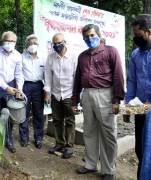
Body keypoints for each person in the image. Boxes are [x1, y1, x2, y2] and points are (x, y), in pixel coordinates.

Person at [71, 24, 124, 180]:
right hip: (87, 95)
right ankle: (90, 164)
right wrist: (74, 100)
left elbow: (118, 77)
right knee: (89, 131)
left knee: (108, 133)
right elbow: (77, 80)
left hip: (105, 95)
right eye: (86, 37)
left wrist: (116, 99)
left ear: (100, 35)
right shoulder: (82, 56)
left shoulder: (110, 52)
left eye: (92, 35)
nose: (89, 39)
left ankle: (108, 169)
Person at [0, 31, 24, 153]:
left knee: (9, 114)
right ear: (2, 42)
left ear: (15, 42)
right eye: (7, 41)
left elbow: (19, 74)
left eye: (12, 41)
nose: (10, 43)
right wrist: (6, 87)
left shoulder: (18, 55)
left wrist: (19, 89)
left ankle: (8, 140)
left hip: (10, 86)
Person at [44, 33, 78, 159]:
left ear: (65, 42)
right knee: (57, 120)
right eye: (55, 44)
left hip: (69, 94)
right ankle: (59, 143)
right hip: (56, 94)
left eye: (59, 43)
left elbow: (77, 77)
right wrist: (47, 93)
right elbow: (47, 76)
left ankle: (69, 147)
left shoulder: (74, 57)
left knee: (69, 120)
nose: (57, 45)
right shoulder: (51, 58)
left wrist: (77, 96)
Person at [125, 14, 151, 180]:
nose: (135, 38)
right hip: (141, 108)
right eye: (134, 35)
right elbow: (132, 82)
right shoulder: (136, 54)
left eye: (138, 35)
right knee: (141, 149)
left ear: (149, 31)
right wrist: (128, 108)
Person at [19, 34, 46, 149]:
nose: (33, 46)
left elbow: (47, 75)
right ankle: (24, 138)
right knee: (24, 113)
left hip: (39, 86)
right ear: (26, 45)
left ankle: (38, 139)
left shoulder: (43, 57)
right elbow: (18, 74)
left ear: (38, 45)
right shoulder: (21, 57)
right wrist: (19, 90)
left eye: (35, 43)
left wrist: (47, 91)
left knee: (38, 113)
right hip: (25, 86)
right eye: (30, 44)